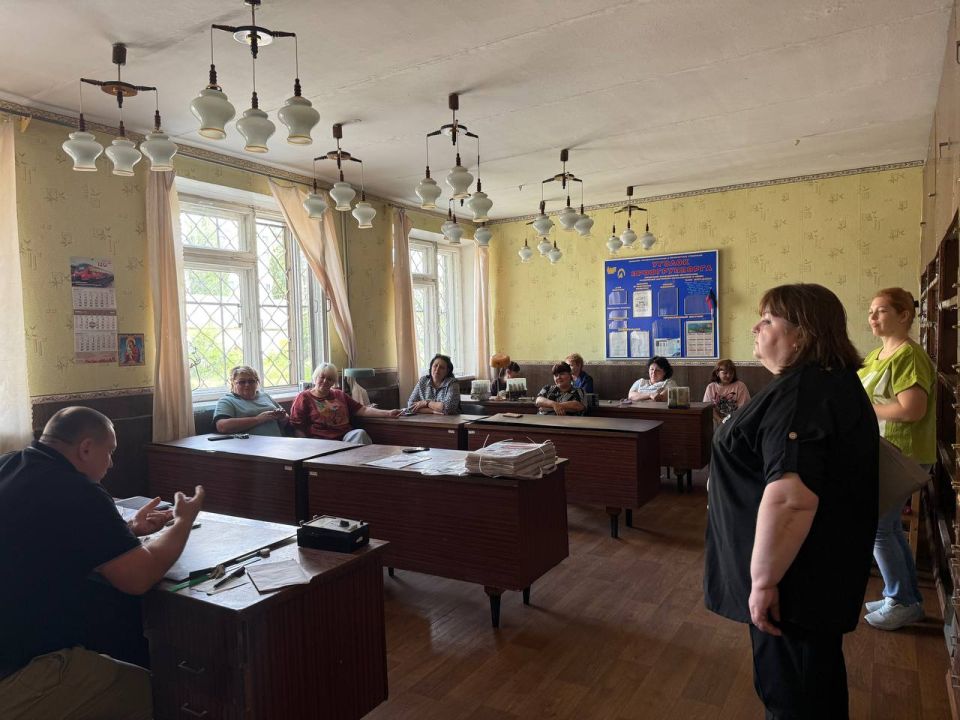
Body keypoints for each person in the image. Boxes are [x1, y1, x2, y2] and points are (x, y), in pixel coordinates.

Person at [704, 283, 878, 718]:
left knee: (794, 696)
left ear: (802, 333)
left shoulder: (804, 392)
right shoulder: (824, 381)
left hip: (793, 583)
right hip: (810, 571)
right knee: (813, 687)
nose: (755, 328)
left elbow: (791, 498)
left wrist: (763, 582)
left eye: (767, 320)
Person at [0, 406, 204, 720]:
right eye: (109, 452)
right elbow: (140, 576)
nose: (110, 463)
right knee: (162, 693)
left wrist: (127, 531)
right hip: (17, 674)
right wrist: (183, 521)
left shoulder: (9, 463)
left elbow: (45, 536)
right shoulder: (77, 490)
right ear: (85, 448)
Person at [858, 287, 933, 631]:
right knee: (886, 528)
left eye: (882, 311)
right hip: (884, 450)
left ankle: (902, 601)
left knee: (878, 528)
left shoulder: (908, 355)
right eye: (871, 311)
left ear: (904, 315)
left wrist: (863, 411)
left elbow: (912, 409)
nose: (873, 317)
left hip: (903, 453)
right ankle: (904, 597)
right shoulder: (878, 354)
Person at [290, 363, 402, 444]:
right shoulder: (304, 397)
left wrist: (388, 413)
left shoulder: (339, 394)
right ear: (315, 378)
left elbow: (362, 410)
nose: (325, 381)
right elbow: (297, 426)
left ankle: (364, 467)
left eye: (329, 379)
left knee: (360, 434)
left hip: (345, 437)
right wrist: (305, 448)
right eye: (322, 377)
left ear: (333, 382)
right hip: (321, 442)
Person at [214, 365, 288, 436]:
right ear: (233, 383)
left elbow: (286, 417)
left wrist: (282, 417)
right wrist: (258, 419)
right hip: (248, 443)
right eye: (242, 382)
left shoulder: (264, 396)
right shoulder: (227, 401)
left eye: (251, 381)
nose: (247, 385)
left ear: (257, 382)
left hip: (277, 441)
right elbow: (222, 426)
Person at [702, 358, 751, 424]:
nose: (728, 376)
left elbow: (743, 407)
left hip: (735, 421)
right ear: (717, 373)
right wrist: (719, 420)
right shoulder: (711, 387)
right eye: (725, 373)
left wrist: (729, 422)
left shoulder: (740, 386)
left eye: (731, 373)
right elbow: (708, 408)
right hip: (715, 421)